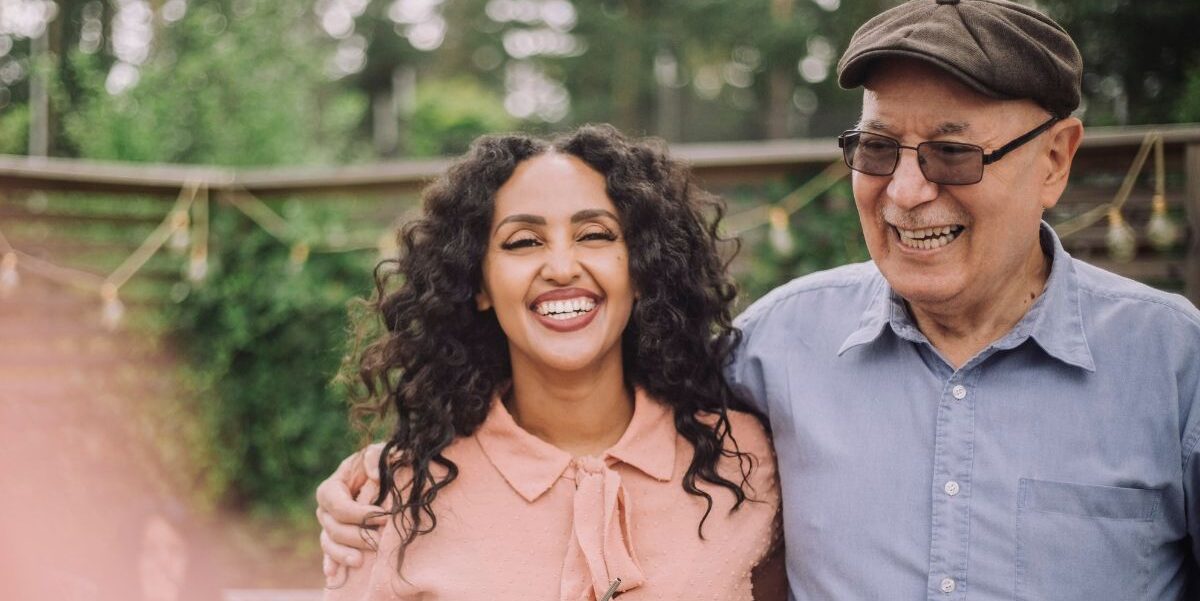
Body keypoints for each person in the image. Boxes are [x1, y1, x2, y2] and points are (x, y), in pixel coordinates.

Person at [320, 1, 1200, 599]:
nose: (905, 191)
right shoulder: (780, 349)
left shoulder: (1173, 366)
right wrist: (381, 473)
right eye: (878, 149)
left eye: (954, 155)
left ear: (1056, 159)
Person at [319, 124, 784, 600]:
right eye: (524, 241)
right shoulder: (395, 493)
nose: (562, 268)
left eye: (596, 234)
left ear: (644, 268)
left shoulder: (744, 460)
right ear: (477, 284)